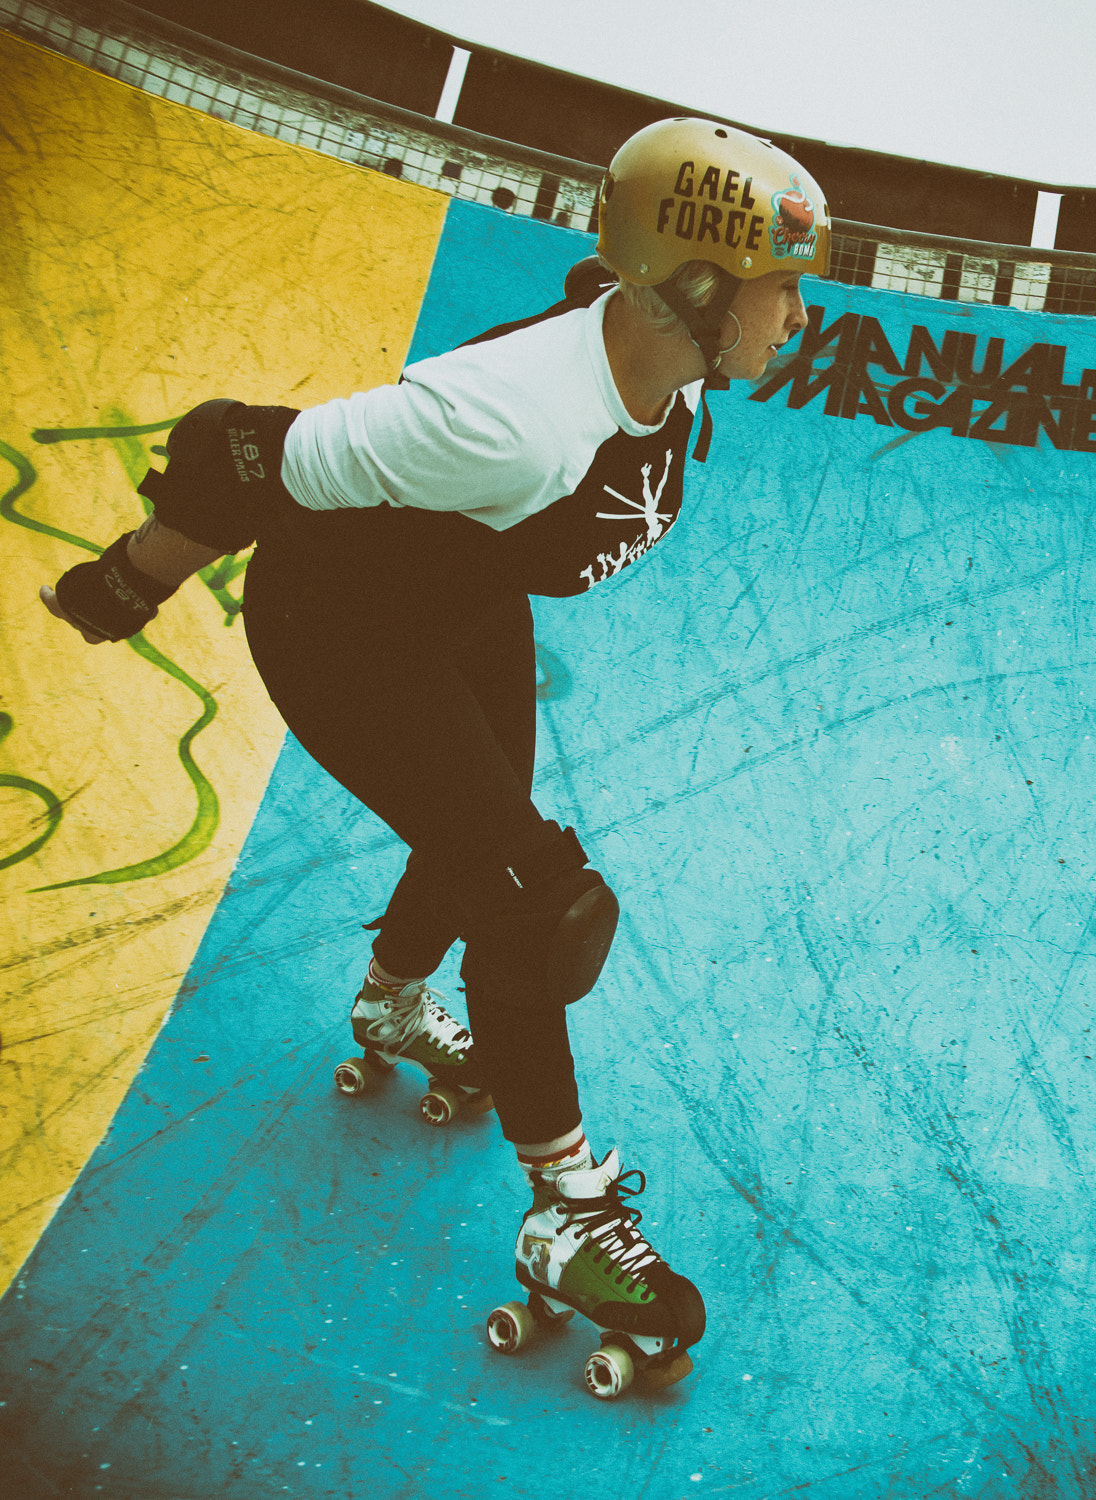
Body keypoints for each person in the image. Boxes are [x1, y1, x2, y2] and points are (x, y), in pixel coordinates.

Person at [41, 118, 830, 1394]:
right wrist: (134, 579)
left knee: (475, 826)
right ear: (693, 288)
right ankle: (567, 1212)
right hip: (341, 634)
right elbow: (233, 452)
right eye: (783, 289)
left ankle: (393, 1002)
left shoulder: (667, 358)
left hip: (457, 602)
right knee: (533, 904)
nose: (797, 317)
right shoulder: (503, 420)